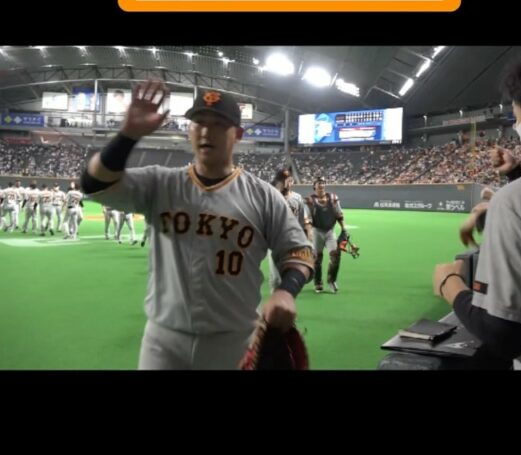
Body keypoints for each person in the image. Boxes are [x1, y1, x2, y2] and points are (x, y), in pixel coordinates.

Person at [80, 83, 315, 370]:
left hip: (235, 341)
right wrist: (127, 136)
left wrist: (286, 291)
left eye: (218, 125)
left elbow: (300, 252)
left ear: (238, 134)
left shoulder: (264, 196)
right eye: (199, 123)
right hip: (163, 341)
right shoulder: (160, 183)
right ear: (189, 131)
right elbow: (94, 183)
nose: (206, 131)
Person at [433, 46, 521, 370]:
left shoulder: (518, 201)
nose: (517, 128)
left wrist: (450, 285)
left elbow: (504, 335)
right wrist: (516, 174)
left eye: (517, 118)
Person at [267, 167, 313, 292]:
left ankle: (284, 298)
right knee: (276, 278)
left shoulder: (297, 197)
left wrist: (307, 237)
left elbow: (303, 220)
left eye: (289, 180)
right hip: (275, 241)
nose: (287, 183)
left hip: (293, 240)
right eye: (283, 180)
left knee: (289, 275)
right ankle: (276, 299)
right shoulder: (272, 196)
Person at [305, 177, 346, 293]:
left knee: (335, 256)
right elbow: (307, 218)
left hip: (330, 231)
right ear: (314, 186)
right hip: (316, 231)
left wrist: (344, 228)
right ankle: (318, 283)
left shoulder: (333, 198)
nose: (321, 185)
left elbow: (339, 214)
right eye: (319, 183)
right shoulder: (309, 200)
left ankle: (331, 281)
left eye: (323, 183)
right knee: (317, 259)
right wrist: (309, 232)